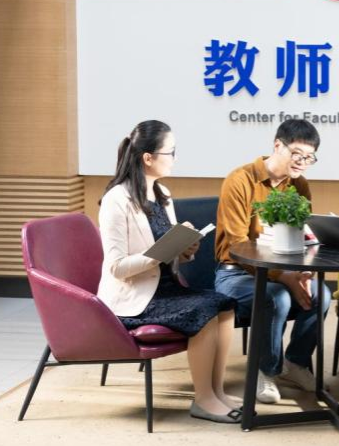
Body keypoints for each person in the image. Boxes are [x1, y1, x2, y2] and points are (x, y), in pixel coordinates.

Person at [97, 120, 240, 424]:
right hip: (135, 299)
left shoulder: (162, 193)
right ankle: (203, 400)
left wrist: (184, 250)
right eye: (170, 152)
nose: (175, 158)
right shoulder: (115, 200)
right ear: (148, 158)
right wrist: (161, 252)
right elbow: (117, 267)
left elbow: (168, 252)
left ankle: (216, 392)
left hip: (166, 287)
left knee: (224, 304)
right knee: (204, 309)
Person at [213, 119, 332, 404]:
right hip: (235, 273)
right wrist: (283, 277)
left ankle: (296, 362)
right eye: (297, 154)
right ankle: (265, 370)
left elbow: (302, 236)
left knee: (323, 295)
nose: (302, 162)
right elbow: (238, 245)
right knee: (276, 297)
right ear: (278, 145)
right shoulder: (240, 180)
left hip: (283, 271)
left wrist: (302, 273)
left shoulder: (299, 185)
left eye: (309, 157)